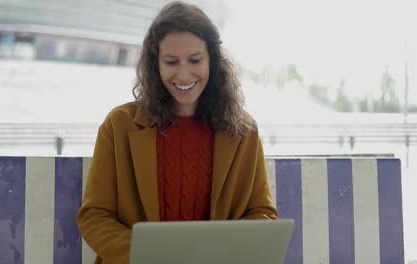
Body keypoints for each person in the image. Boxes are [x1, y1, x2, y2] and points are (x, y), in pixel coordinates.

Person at [77, 1, 278, 263]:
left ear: (212, 61)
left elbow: (262, 213)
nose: (184, 74)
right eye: (171, 61)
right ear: (155, 63)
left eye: (195, 60)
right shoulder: (118, 125)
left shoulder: (243, 131)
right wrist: (149, 257)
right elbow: (95, 215)